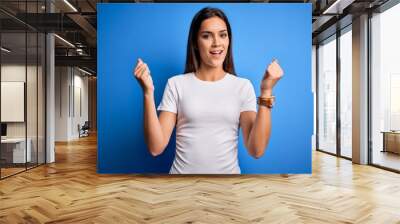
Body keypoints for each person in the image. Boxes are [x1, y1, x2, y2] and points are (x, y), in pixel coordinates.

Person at [133, 7, 283, 174]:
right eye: (206, 36)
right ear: (196, 43)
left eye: (222, 35)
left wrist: (266, 91)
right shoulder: (176, 84)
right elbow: (156, 147)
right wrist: (148, 93)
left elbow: (257, 150)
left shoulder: (243, 86)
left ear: (229, 40)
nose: (217, 43)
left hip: (227, 187)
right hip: (181, 187)